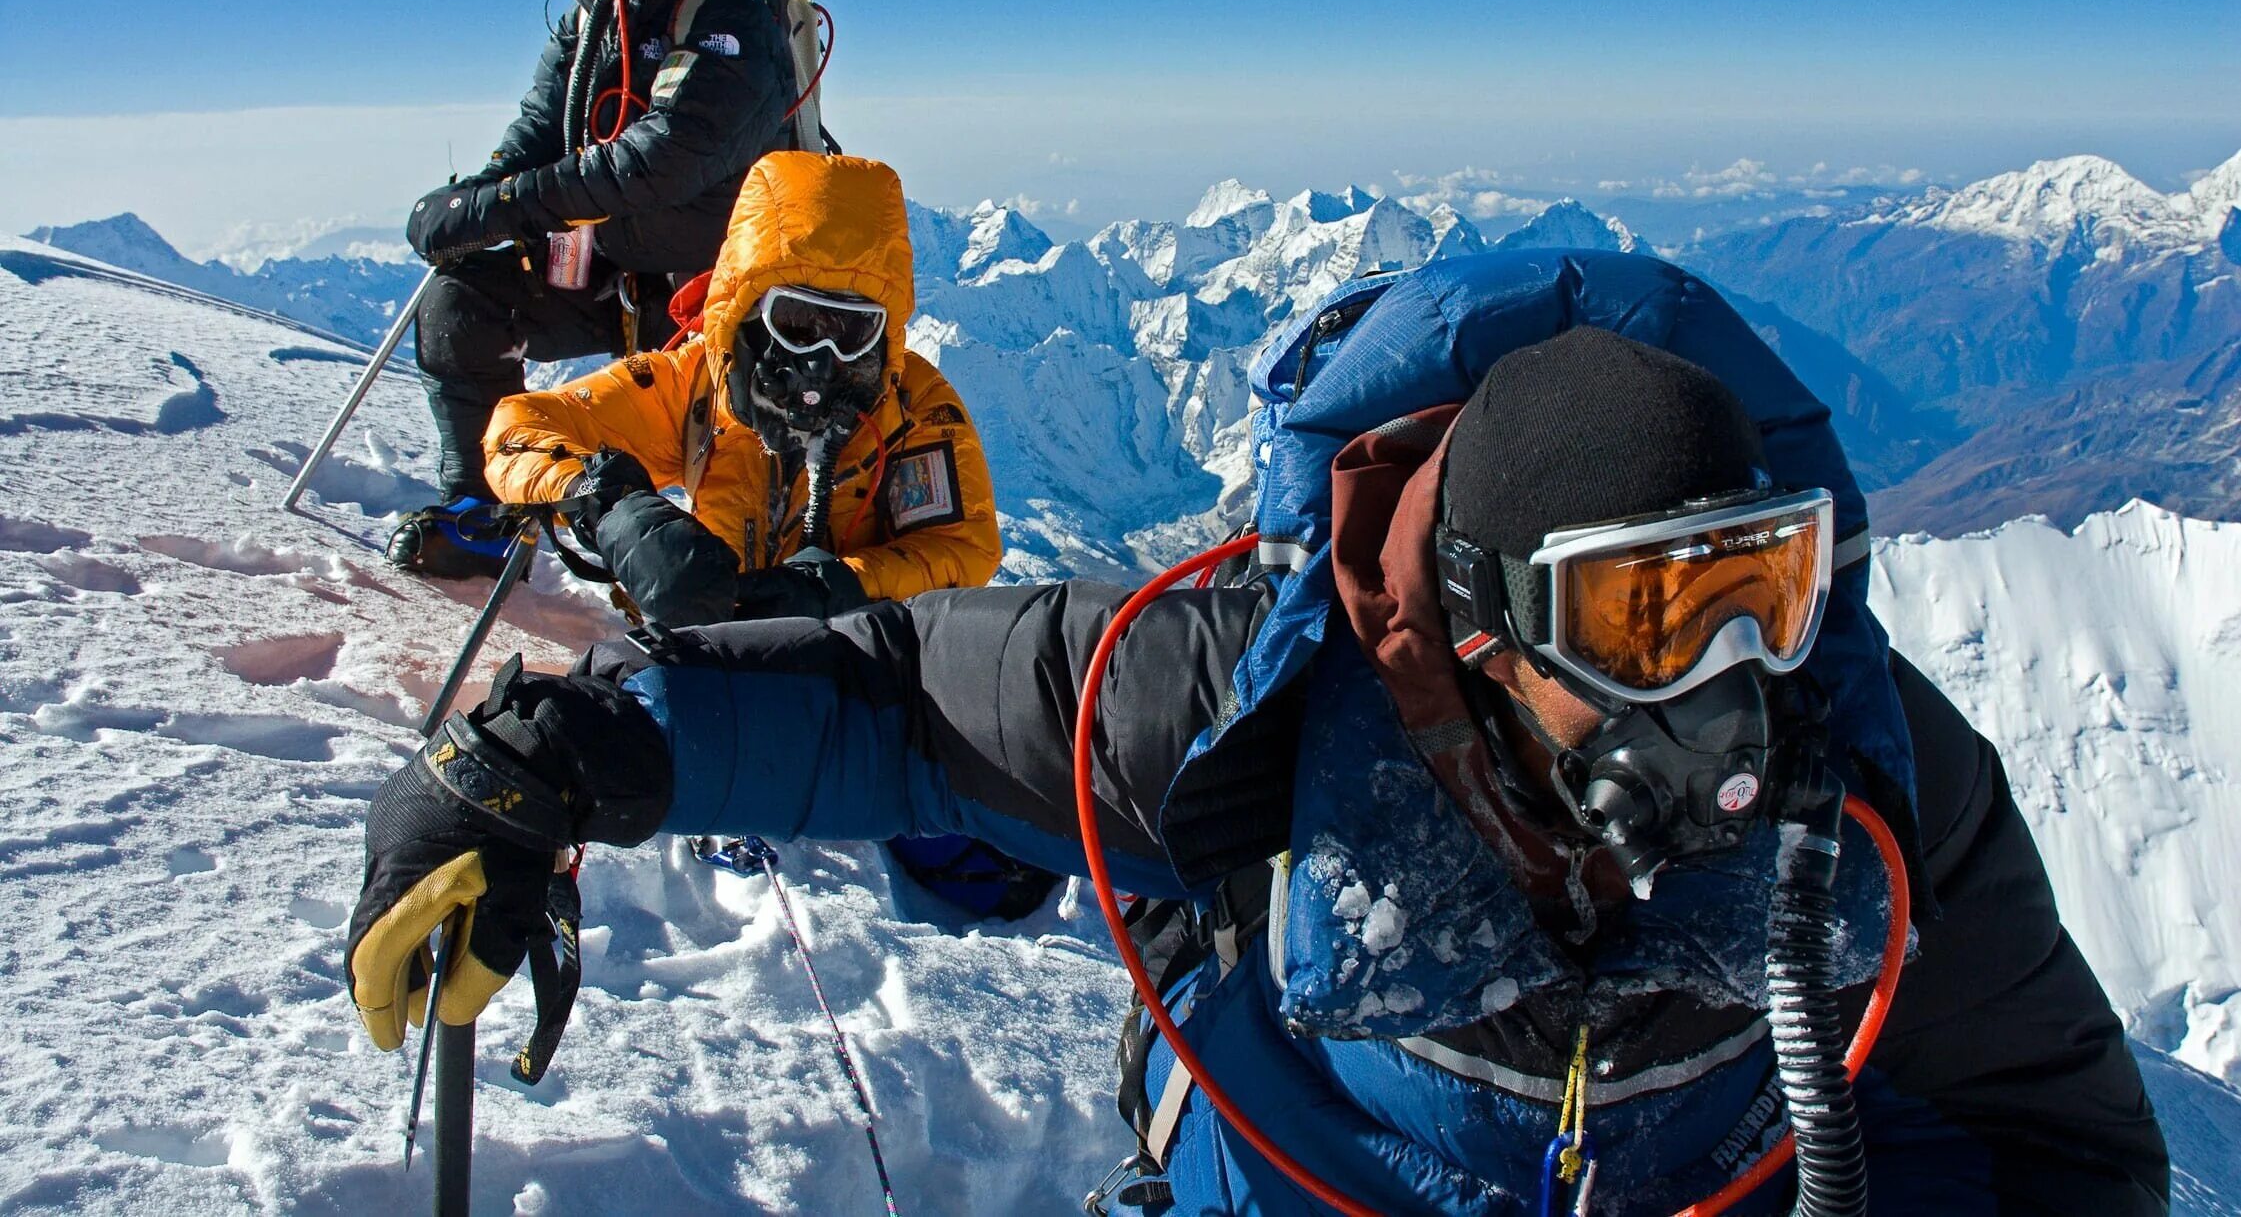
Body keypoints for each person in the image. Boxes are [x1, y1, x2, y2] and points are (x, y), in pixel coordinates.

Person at [347, 262, 2168, 1214]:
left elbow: (2053, 1141)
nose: (1731, 678)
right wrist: (564, 758)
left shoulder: (1873, 768)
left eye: (1764, 587)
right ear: (1479, 623)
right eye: (1643, 614)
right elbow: (901, 691)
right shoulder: (1242, 693)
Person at [390, 0, 807, 578]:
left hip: (720, 314)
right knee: (461, 300)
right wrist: (468, 205)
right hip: (617, 279)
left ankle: (737, 613)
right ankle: (482, 511)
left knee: (731, 513)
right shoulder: (588, 30)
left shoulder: (732, 33)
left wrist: (500, 206)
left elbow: (657, 163)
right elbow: (533, 142)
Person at [477, 151, 1002, 629]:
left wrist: (844, 586)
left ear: (882, 334)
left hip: (859, 666)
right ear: (746, 313)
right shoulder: (697, 385)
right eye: (794, 320)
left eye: (851, 331)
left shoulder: (913, 407)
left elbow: (962, 549)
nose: (821, 356)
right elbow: (518, 429)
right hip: (715, 650)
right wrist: (612, 507)